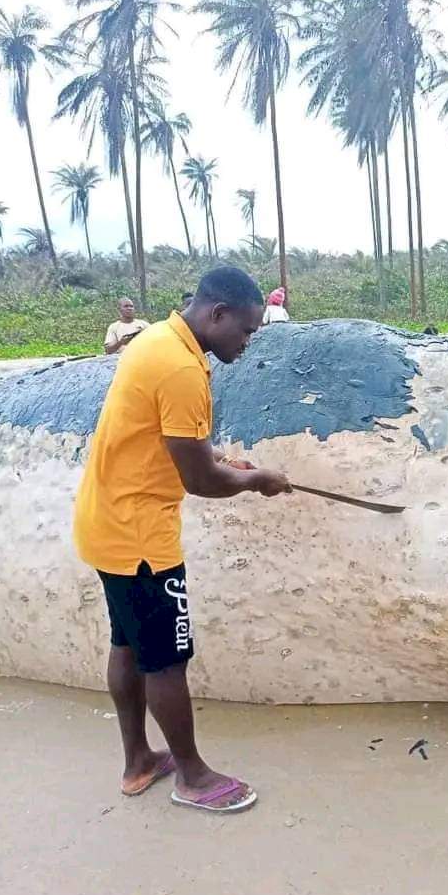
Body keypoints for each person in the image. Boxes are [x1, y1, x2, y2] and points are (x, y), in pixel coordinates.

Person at [74, 266, 292, 813]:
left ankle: (138, 760)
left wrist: (218, 457)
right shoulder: (180, 369)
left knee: (127, 644)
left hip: (106, 522)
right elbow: (201, 483)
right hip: (142, 538)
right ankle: (192, 776)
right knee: (167, 659)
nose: (247, 343)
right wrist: (256, 480)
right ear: (217, 315)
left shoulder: (158, 341)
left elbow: (165, 439)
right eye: (244, 330)